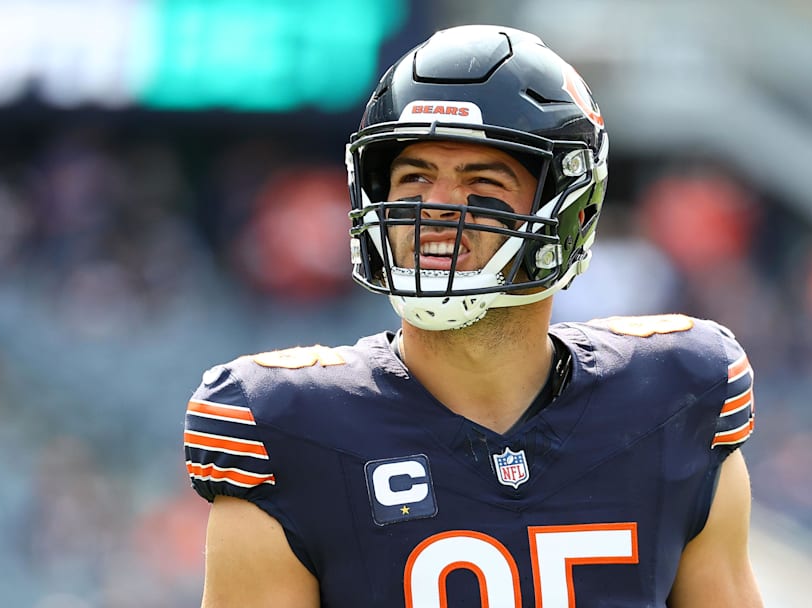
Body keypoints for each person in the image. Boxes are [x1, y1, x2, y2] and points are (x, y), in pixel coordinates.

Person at [184, 24, 763, 607]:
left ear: (570, 209)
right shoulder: (287, 426)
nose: (434, 210)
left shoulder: (676, 398)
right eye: (414, 177)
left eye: (481, 182)